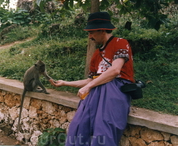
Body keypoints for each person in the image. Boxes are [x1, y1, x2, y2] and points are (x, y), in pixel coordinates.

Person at [51, 12, 134, 146]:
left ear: (102, 30)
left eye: (92, 32)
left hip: (115, 90)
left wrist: (89, 86)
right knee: (78, 127)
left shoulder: (120, 43)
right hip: (95, 92)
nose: (90, 36)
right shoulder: (97, 54)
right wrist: (65, 83)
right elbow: (91, 80)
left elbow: (115, 70)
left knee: (103, 131)